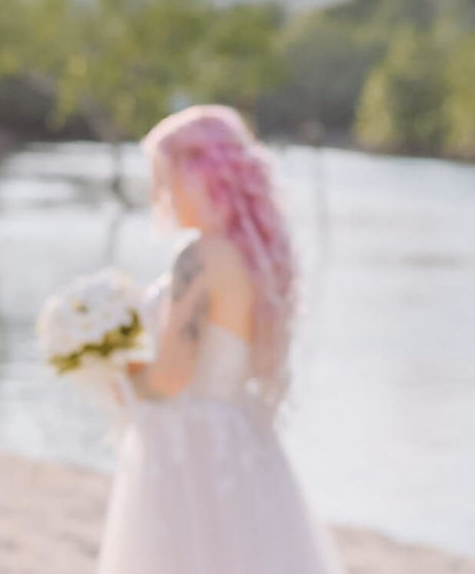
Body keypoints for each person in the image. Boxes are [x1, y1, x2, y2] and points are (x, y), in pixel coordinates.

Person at [97, 105, 342, 574]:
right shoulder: (258, 256)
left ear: (197, 176)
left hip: (189, 446)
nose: (161, 192)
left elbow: (169, 378)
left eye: (165, 176)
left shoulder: (200, 257)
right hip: (244, 439)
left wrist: (115, 367)